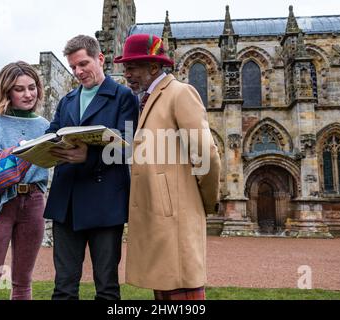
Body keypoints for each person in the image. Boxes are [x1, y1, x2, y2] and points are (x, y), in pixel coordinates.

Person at [114, 34, 221, 300]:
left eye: (132, 67)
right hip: (158, 218)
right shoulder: (148, 99)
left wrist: (204, 202)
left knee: (183, 291)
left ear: (154, 67)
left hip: (176, 218)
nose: (127, 74)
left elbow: (206, 154)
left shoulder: (180, 93)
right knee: (164, 291)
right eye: (125, 67)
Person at [44, 35, 139, 300]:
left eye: (83, 64)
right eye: (73, 67)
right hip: (67, 201)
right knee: (63, 287)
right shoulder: (67, 100)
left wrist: (89, 155)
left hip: (105, 199)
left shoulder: (124, 97)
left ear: (100, 58)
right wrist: (41, 146)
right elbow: (53, 132)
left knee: (107, 287)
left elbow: (129, 145)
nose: (78, 72)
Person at [0, 61, 50, 300]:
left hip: (34, 201)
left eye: (32, 87)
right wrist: (23, 150)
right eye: (19, 89)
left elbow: (48, 161)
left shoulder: (45, 126)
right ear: (7, 91)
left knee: (23, 284)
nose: (28, 94)